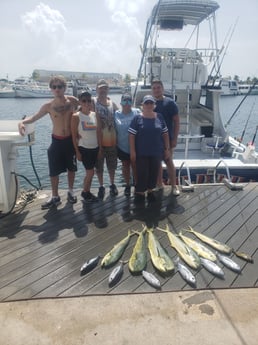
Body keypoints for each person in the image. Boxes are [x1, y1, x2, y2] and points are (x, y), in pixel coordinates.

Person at [18, 75, 79, 209]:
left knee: (72, 168)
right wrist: (22, 122)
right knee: (53, 171)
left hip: (70, 140)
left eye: (60, 86)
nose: (57, 89)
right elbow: (34, 117)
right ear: (51, 89)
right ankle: (55, 196)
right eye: (54, 87)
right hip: (56, 141)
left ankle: (70, 191)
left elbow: (86, 107)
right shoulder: (48, 106)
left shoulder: (73, 101)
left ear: (65, 87)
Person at [129, 95, 170, 204]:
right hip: (141, 152)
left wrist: (167, 149)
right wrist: (132, 151)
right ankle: (140, 192)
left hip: (156, 152)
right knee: (143, 173)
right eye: (146, 103)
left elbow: (165, 134)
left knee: (154, 172)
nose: (149, 105)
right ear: (142, 105)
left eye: (151, 103)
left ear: (154, 105)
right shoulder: (137, 118)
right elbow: (131, 136)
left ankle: (150, 191)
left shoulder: (159, 117)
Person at [151, 79, 180, 196]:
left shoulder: (171, 103)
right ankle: (159, 185)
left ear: (162, 88)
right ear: (151, 90)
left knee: (169, 162)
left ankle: (174, 186)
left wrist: (175, 139)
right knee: (157, 163)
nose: (156, 90)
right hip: (154, 140)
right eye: (154, 88)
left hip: (167, 140)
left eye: (158, 87)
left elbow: (177, 122)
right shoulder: (150, 103)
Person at [71, 91, 99, 203]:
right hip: (84, 148)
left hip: (95, 148)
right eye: (84, 101)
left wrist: (100, 148)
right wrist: (77, 151)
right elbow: (73, 136)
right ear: (80, 102)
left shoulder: (94, 114)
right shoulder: (76, 116)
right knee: (90, 172)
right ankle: (85, 192)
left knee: (91, 172)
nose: (87, 103)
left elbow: (98, 133)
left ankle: (87, 191)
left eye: (89, 100)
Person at [94, 79, 119, 199]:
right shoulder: (92, 102)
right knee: (99, 166)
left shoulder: (112, 103)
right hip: (97, 141)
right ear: (97, 89)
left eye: (105, 88)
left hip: (112, 141)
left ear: (108, 89)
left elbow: (121, 115)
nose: (103, 90)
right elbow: (80, 112)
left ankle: (112, 184)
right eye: (100, 88)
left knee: (112, 165)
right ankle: (101, 186)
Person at [114, 93, 141, 196]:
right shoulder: (116, 114)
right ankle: (128, 185)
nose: (127, 103)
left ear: (132, 102)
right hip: (122, 146)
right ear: (121, 102)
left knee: (135, 166)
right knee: (125, 165)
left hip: (135, 146)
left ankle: (137, 184)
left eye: (129, 101)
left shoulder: (137, 112)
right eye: (124, 101)